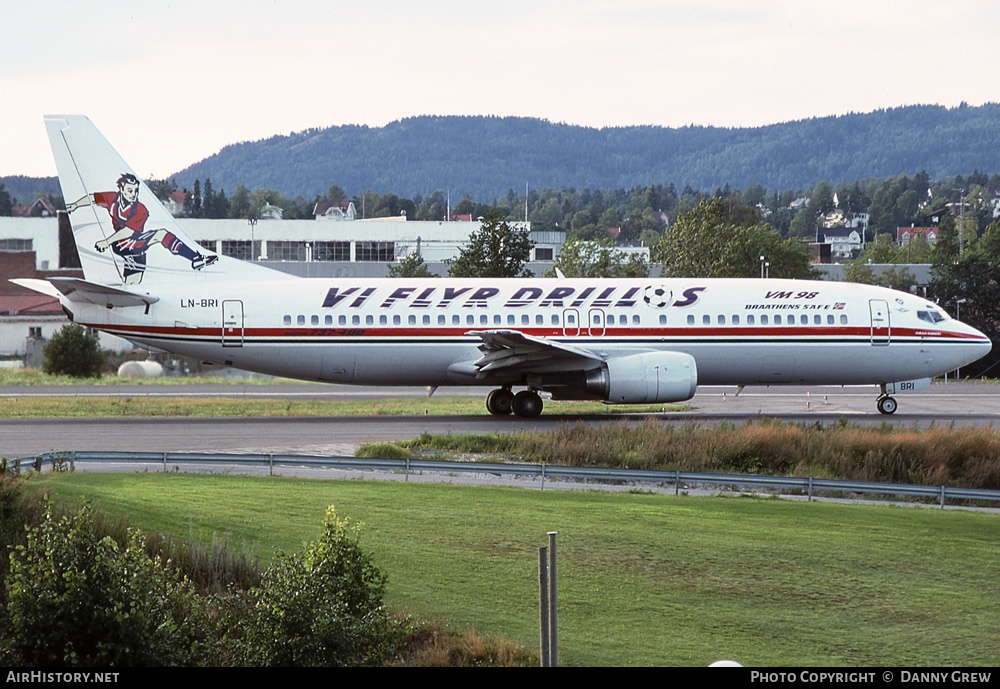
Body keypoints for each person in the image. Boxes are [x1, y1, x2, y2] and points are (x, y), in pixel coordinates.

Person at [66, 173, 217, 284]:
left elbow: (129, 231)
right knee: (162, 234)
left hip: (134, 245)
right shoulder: (112, 198)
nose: (134, 194)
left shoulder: (140, 210)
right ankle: (195, 259)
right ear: (121, 190)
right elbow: (93, 198)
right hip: (122, 243)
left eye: (136, 191)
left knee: (133, 284)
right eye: (130, 191)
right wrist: (75, 205)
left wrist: (106, 242)